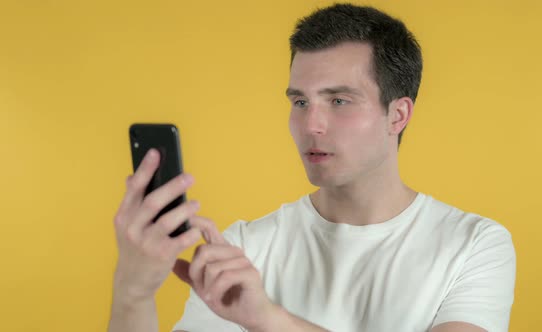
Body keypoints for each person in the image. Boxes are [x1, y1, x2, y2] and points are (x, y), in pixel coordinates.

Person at [108, 3, 516, 332]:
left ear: (397, 115)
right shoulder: (242, 250)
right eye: (300, 102)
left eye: (339, 100)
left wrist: (269, 320)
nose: (311, 125)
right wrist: (132, 294)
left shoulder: (474, 245)